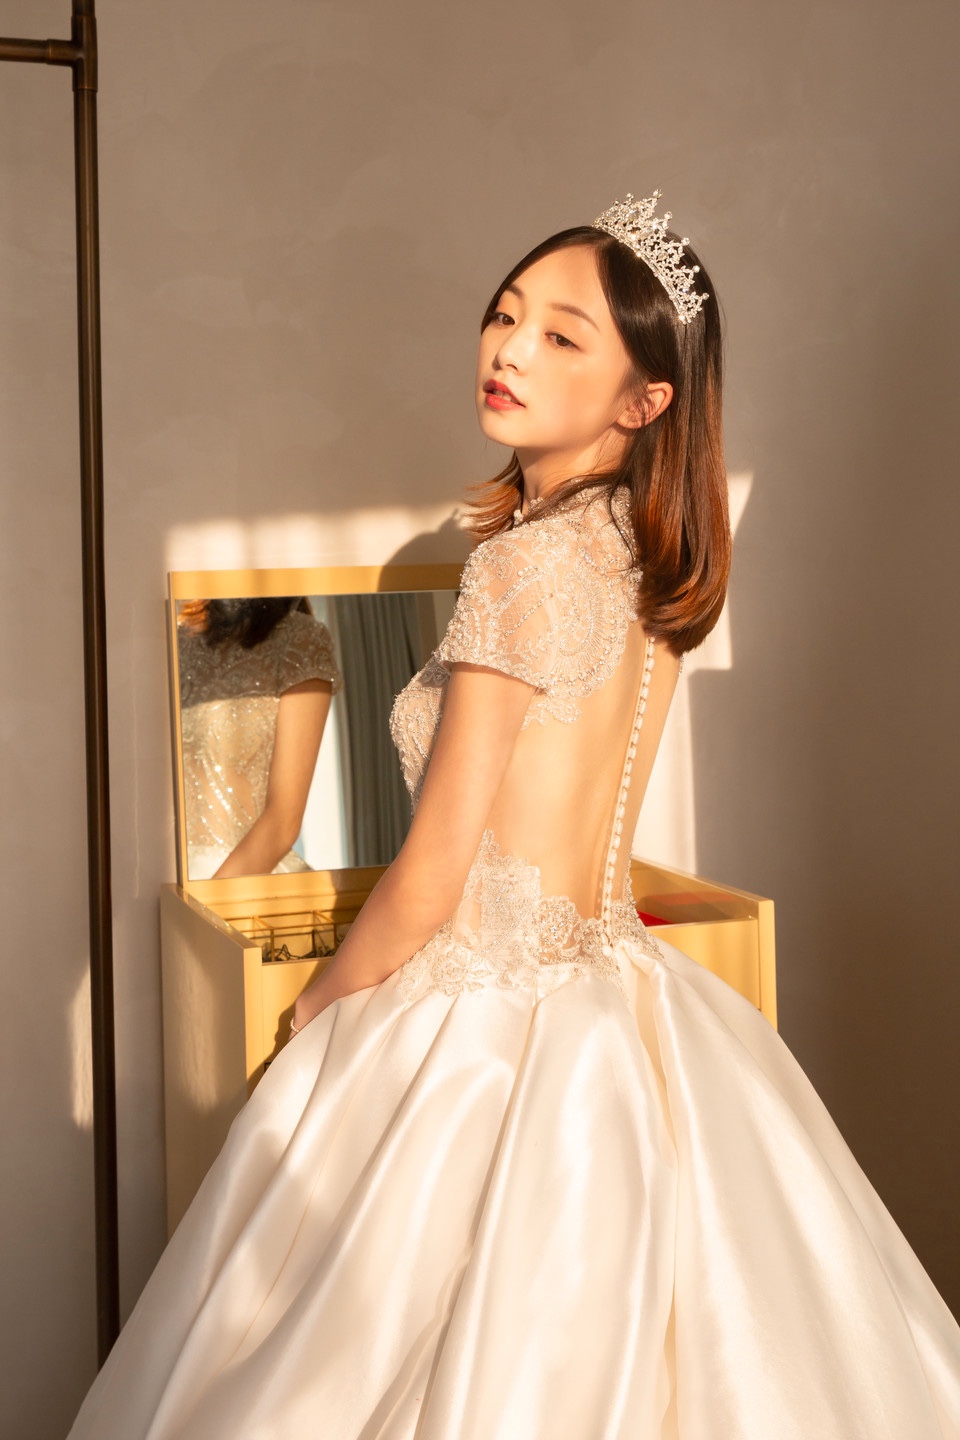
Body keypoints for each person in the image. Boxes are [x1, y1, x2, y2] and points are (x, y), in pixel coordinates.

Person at [69, 193, 960, 1438]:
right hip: (629, 990)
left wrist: (313, 1015)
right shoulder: (646, 551)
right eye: (504, 315)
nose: (508, 349)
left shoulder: (520, 564)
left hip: (489, 1012)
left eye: (561, 335)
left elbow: (435, 873)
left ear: (644, 400)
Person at [177, 596, 342, 879]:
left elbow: (283, 820)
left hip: (241, 882)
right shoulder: (175, 638)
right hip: (160, 880)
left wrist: (205, 903)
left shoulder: (300, 640)